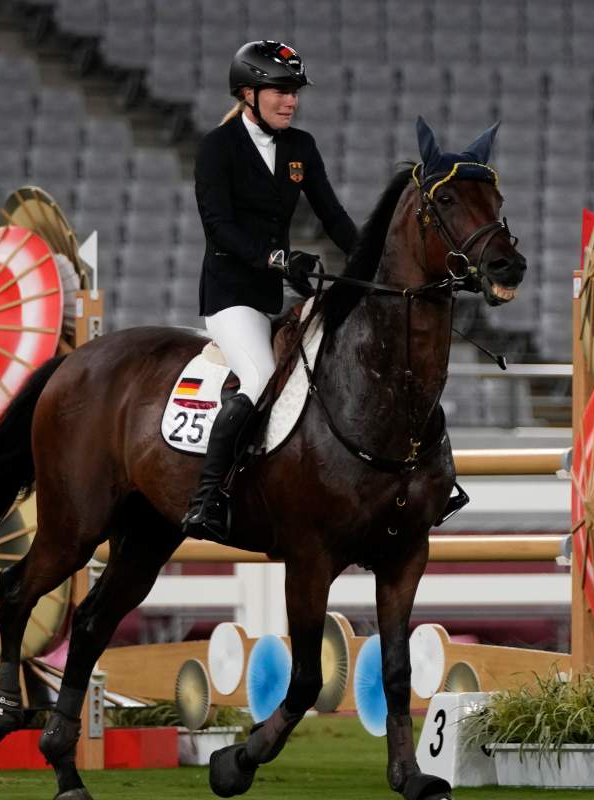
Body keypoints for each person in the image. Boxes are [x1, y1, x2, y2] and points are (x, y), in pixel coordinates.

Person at [182, 40, 359, 543]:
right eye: (281, 91)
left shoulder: (301, 147)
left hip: (274, 297)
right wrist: (279, 259)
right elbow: (218, 227)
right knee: (259, 374)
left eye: (295, 92)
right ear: (248, 93)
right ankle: (206, 498)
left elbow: (333, 216)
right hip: (229, 296)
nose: (291, 101)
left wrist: (374, 259)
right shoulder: (217, 148)